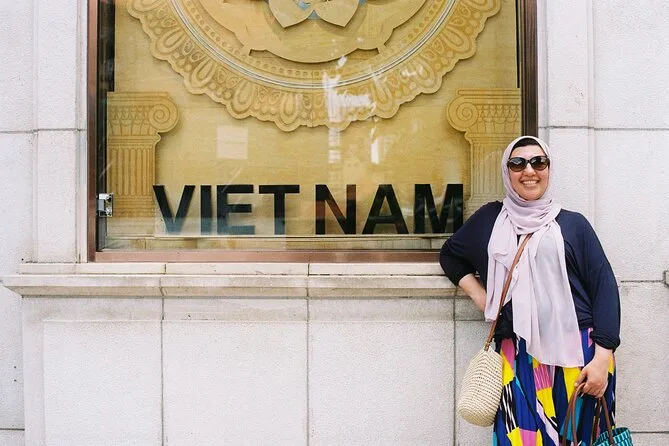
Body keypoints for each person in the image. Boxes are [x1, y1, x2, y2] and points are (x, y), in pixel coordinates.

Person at [440, 135, 620, 445]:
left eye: (539, 162)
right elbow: (450, 255)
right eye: (518, 163)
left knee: (579, 439)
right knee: (520, 439)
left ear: (548, 169)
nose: (529, 171)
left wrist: (603, 357)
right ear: (506, 171)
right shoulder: (490, 220)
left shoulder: (573, 225)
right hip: (517, 355)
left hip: (579, 355)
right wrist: (482, 297)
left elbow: (604, 287)